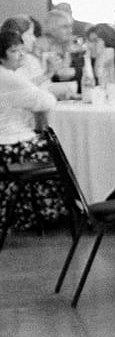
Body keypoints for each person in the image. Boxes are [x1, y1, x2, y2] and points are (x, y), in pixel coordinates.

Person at [0, 28, 63, 232]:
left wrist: (45, 75)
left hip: (6, 144)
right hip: (12, 144)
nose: (21, 55)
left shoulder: (7, 76)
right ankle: (56, 210)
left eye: (21, 49)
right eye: (13, 51)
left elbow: (26, 89)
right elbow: (45, 101)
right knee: (60, 148)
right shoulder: (7, 78)